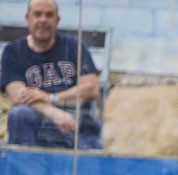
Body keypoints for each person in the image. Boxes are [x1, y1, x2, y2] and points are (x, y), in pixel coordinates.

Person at [0, 0, 102, 150]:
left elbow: (91, 88)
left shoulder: (74, 47)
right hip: (35, 117)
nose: (43, 20)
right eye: (37, 14)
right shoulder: (13, 51)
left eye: (49, 15)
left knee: (90, 134)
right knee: (19, 115)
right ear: (28, 19)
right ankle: (25, 171)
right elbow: (17, 96)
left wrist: (51, 98)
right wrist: (53, 112)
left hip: (75, 120)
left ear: (57, 20)